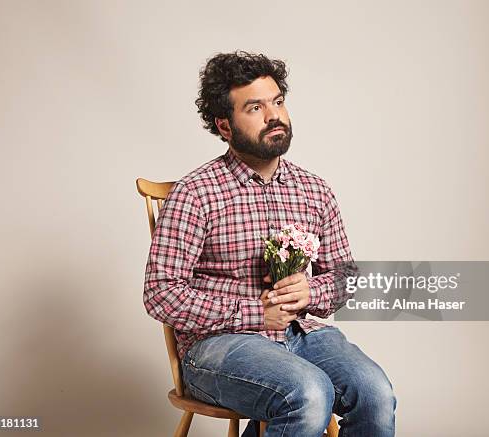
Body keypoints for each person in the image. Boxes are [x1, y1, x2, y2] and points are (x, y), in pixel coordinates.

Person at [143, 50, 396, 437]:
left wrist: (310, 290)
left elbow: (344, 276)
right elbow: (161, 293)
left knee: (374, 393)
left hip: (301, 334)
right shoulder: (197, 193)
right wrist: (254, 314)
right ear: (225, 126)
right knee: (308, 393)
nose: (274, 115)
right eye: (255, 108)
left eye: (277, 101)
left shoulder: (314, 190)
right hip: (219, 348)